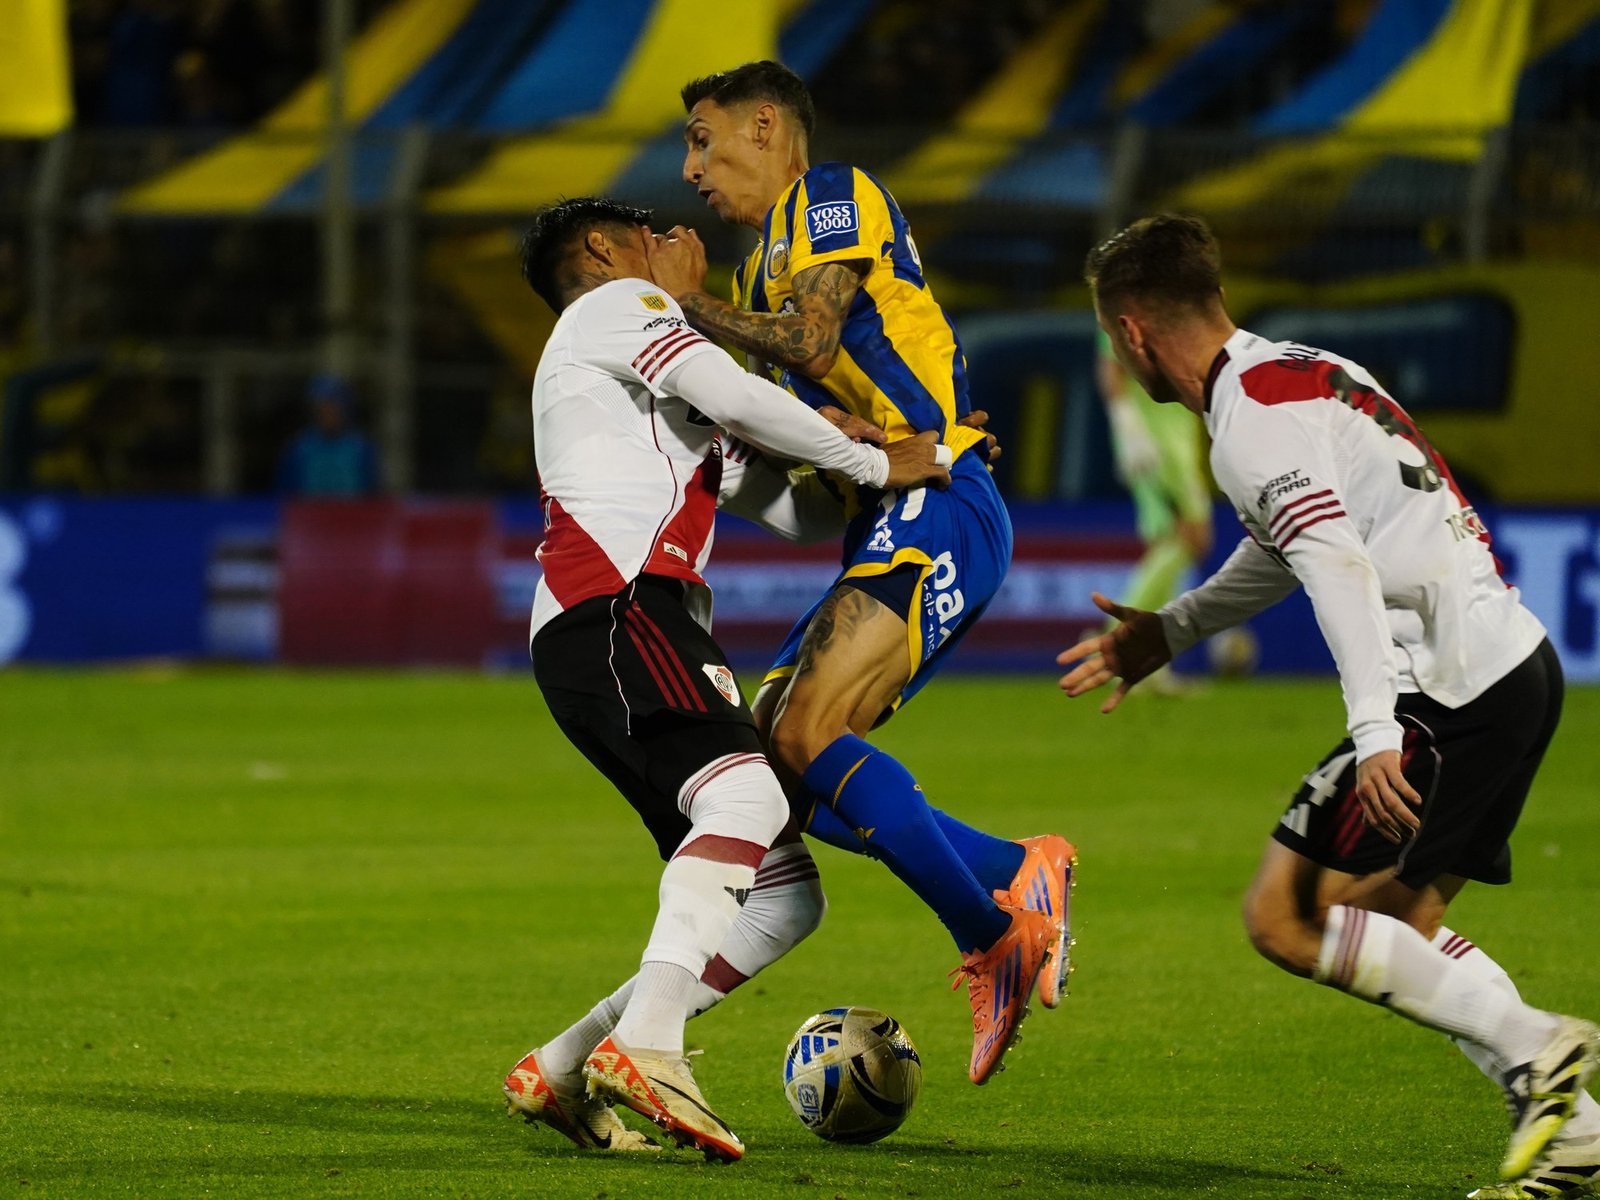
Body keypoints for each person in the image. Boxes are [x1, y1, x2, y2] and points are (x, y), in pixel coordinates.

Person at [1059, 213, 1599, 1199]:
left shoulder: (1248, 429)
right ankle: (1577, 1132)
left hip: (1444, 691)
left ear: (1132, 332)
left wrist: (1377, 730)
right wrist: (1172, 629)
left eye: (1109, 338)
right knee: (1393, 932)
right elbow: (1285, 548)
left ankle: (1539, 1047)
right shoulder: (1289, 375)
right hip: (1506, 671)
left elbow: (1338, 565)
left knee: (1286, 916)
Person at [643, 59, 1075, 1086]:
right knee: (775, 768)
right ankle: (1017, 873)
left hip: (937, 499)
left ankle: (992, 937)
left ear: (763, 125)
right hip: (889, 509)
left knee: (801, 733)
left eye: (703, 139)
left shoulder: (831, 196)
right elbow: (801, 415)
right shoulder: (755, 277)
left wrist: (682, 309)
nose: (692, 168)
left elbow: (814, 334)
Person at [502, 197, 951, 1162]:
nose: (678, 240)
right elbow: (746, 398)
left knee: (785, 890)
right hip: (619, 606)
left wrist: (870, 452)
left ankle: (566, 1064)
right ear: (604, 249)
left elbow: (783, 505)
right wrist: (876, 463)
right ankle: (652, 1043)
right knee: (746, 795)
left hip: (616, 625)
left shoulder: (647, 380)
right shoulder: (614, 307)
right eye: (654, 230)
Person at [1095, 327, 1213, 692]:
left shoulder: (1167, 306)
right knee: (1188, 538)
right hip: (1156, 443)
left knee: (1172, 542)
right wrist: (1128, 428)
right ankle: (1114, 641)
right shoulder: (1129, 307)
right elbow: (1110, 368)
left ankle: (1141, 659)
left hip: (1175, 436)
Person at [275, 374, 379, 496]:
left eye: (332, 408)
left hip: (351, 513)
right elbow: (284, 495)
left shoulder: (360, 448)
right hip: (309, 513)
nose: (327, 415)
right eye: (321, 409)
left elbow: (372, 494)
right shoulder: (300, 448)